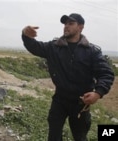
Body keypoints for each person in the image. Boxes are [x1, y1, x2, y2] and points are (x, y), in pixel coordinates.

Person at [21, 13, 114, 141]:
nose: (66, 26)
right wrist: (26, 36)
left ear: (80, 27)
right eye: (65, 24)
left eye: (71, 23)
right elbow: (35, 47)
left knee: (80, 137)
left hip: (81, 102)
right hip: (60, 100)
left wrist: (98, 93)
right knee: (53, 136)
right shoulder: (54, 47)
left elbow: (106, 73)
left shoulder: (91, 51)